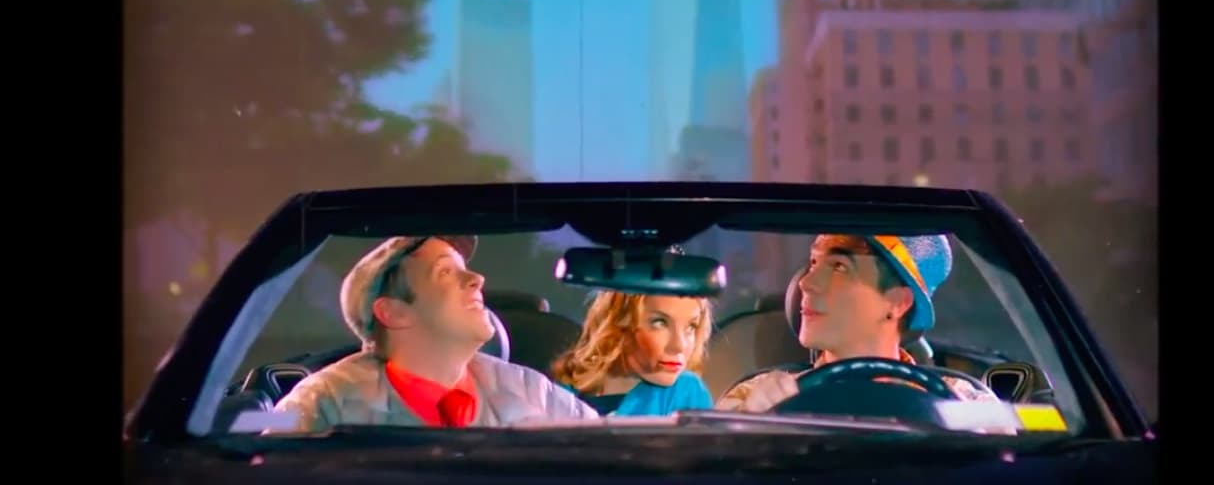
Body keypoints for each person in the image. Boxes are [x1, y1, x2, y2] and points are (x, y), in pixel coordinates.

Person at [270, 235, 599, 431]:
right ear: (394, 312)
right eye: (445, 272)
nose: (477, 279)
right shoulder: (322, 404)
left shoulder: (534, 393)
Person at [716, 233, 997, 413]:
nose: (805, 282)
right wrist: (749, 428)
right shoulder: (758, 396)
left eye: (839, 267)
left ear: (898, 302)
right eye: (813, 263)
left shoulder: (962, 402)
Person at [550, 289, 714, 416]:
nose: (680, 345)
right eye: (660, 323)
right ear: (619, 321)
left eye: (691, 327)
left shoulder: (686, 392)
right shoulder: (560, 390)